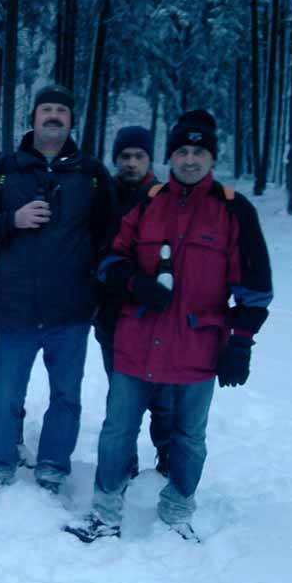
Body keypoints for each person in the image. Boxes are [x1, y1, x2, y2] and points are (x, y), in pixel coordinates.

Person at [65, 110, 273, 544]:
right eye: (182, 151)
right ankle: (104, 511)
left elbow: (255, 290)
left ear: (211, 158)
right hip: (137, 340)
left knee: (189, 437)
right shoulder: (148, 201)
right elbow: (109, 259)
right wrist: (134, 283)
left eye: (199, 152)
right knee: (117, 430)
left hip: (198, 346)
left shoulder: (233, 210)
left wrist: (241, 344)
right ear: (170, 156)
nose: (190, 160)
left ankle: (177, 512)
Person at [0, 84, 115, 492]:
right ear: (32, 118)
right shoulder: (6, 168)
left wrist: (95, 281)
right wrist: (10, 220)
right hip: (15, 309)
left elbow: (111, 234)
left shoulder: (90, 173)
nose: (53, 116)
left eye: (61, 111)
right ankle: (1, 463)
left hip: (70, 311)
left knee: (65, 396)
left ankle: (53, 466)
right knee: (5, 396)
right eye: (46, 109)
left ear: (71, 121)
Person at [93, 126, 172, 478]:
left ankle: (167, 454)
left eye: (139, 156)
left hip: (157, 312)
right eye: (125, 156)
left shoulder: (165, 198)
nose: (131, 163)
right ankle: (125, 459)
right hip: (112, 312)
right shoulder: (103, 196)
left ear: (149, 159)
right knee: (121, 393)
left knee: (164, 396)